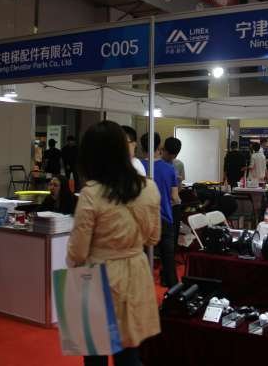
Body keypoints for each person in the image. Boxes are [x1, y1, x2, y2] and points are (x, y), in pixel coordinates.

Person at [67, 121, 161, 366]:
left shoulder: (91, 193)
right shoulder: (149, 187)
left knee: (95, 353)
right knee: (129, 352)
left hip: (97, 276)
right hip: (136, 272)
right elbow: (153, 238)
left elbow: (78, 251)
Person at [141, 132, 180, 288]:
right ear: (159, 146)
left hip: (143, 219)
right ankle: (174, 293)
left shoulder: (137, 166)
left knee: (142, 259)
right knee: (169, 261)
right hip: (164, 218)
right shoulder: (169, 169)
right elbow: (175, 197)